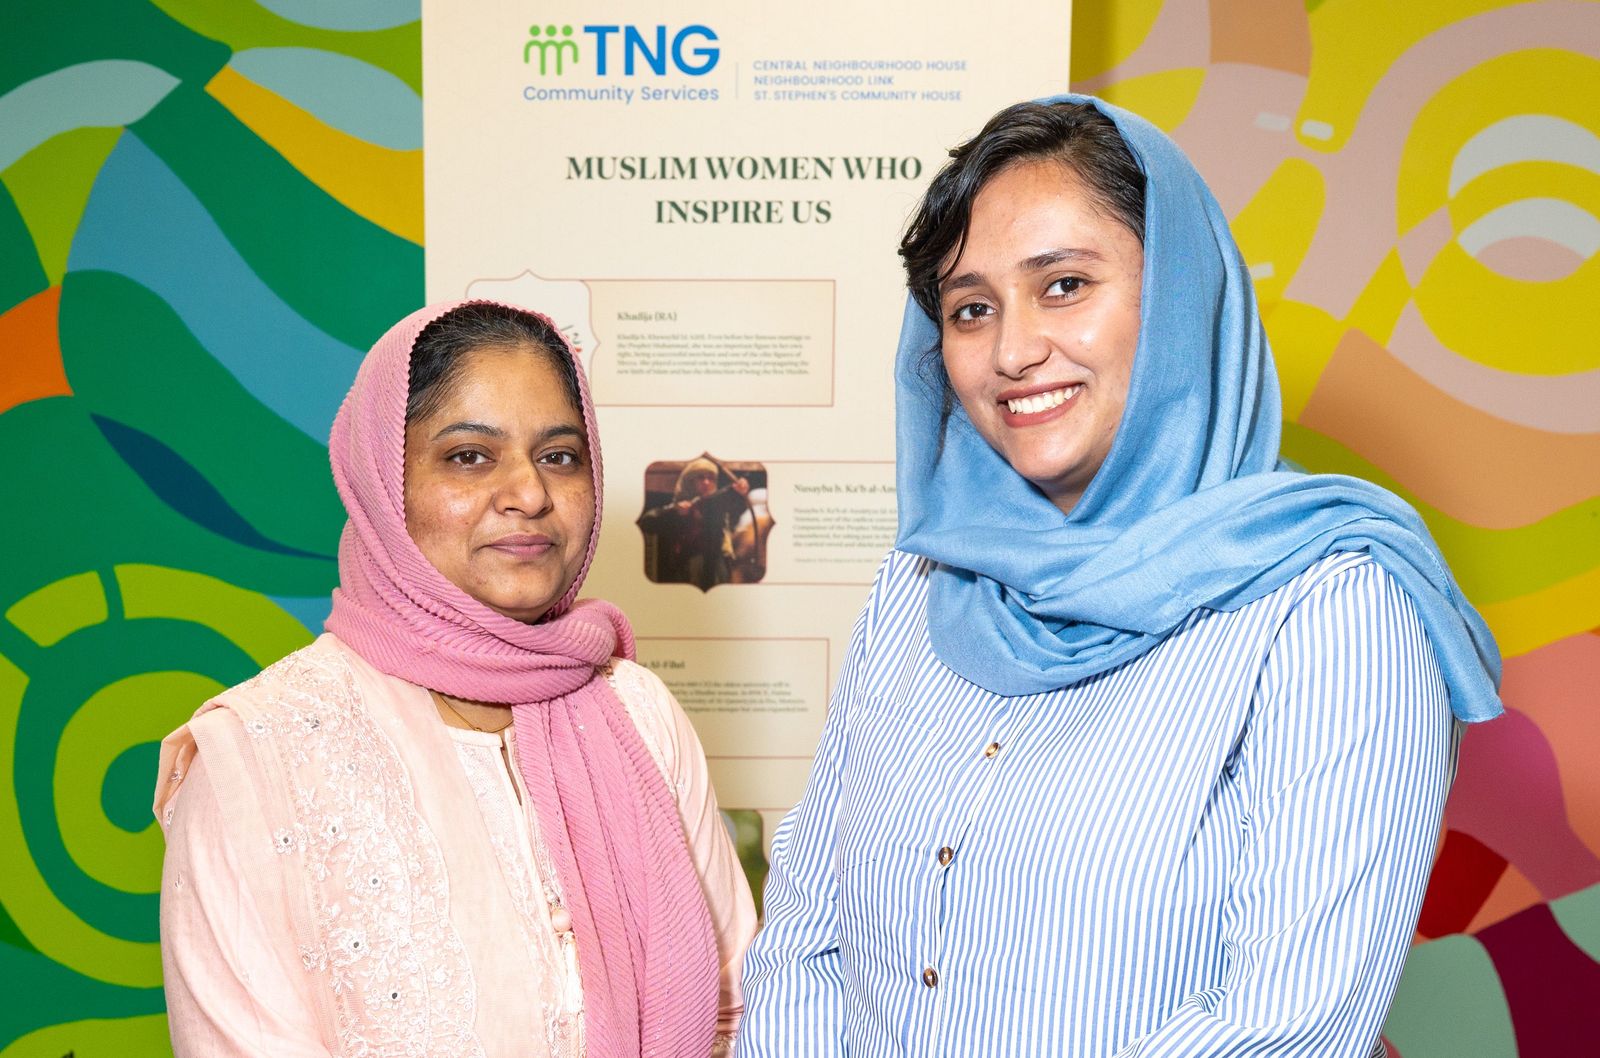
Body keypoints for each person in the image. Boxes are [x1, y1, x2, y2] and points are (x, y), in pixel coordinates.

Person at [737, 97, 1502, 1057]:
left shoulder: (1325, 606)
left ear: (1181, 294)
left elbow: (1286, 1025)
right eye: (971, 308)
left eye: (1062, 285)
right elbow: (811, 924)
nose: (1012, 351)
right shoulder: (923, 581)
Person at [154, 300, 755, 1057]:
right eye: (469, 455)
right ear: (383, 482)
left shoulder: (636, 710)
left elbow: (741, 1011)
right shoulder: (253, 756)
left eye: (560, 456)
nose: (529, 494)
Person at [637, 458, 752, 590]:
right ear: (690, 482)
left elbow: (724, 498)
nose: (706, 482)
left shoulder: (717, 504)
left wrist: (739, 489)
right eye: (700, 478)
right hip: (685, 572)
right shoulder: (679, 507)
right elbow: (647, 522)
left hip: (716, 572)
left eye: (711, 478)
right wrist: (675, 512)